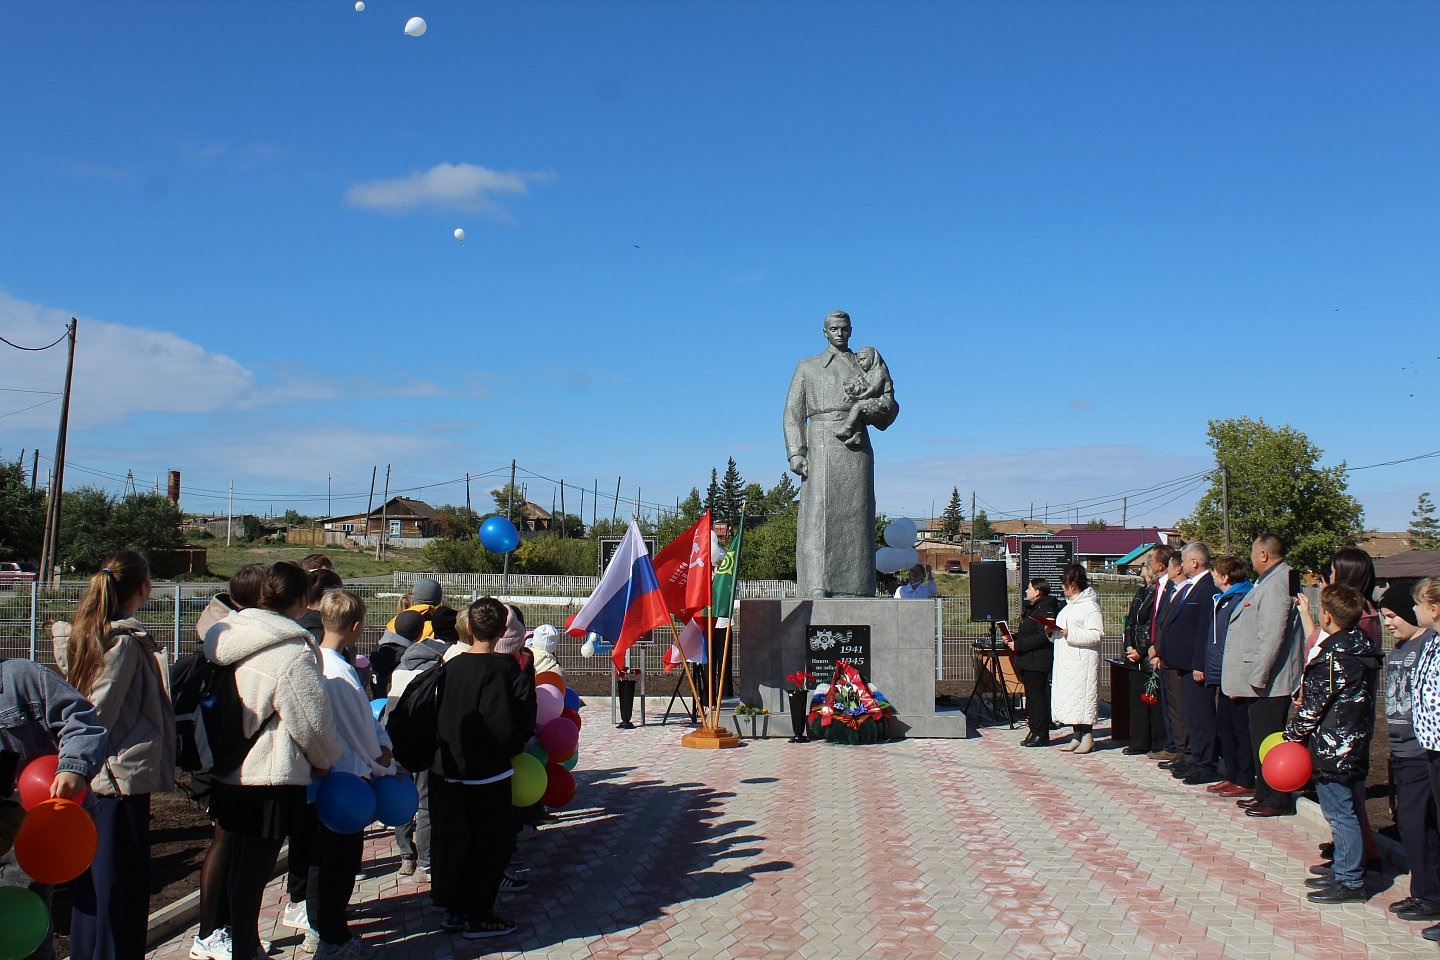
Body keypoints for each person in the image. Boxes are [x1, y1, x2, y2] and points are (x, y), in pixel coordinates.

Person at [203, 562, 342, 960]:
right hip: (268, 773)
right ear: (301, 600)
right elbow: (310, 720)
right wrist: (325, 759)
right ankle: (245, 948)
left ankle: (236, 940)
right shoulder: (290, 650)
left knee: (237, 865)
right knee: (253, 873)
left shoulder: (226, 638)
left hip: (227, 763)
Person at [52, 550, 176, 960]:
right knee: (116, 889)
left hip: (108, 774)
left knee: (105, 886)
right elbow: (96, 712)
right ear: (143, 587)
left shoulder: (90, 633)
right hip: (115, 778)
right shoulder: (120, 643)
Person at [429, 597, 536, 939]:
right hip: (488, 772)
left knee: (454, 841)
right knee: (487, 845)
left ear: (469, 628)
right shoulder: (501, 671)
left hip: (449, 770)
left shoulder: (449, 667)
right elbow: (503, 724)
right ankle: (479, 914)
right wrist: (513, 747)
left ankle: (454, 908)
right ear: (504, 629)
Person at [303, 589, 393, 959]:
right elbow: (361, 728)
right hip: (346, 779)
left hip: (318, 777)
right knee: (338, 863)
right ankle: (333, 938)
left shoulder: (312, 661)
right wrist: (380, 760)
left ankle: (317, 927)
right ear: (356, 626)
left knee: (316, 860)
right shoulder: (340, 670)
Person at [784, 310, 898, 598]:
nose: (839, 333)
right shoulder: (808, 367)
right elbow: (792, 413)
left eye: (844, 328)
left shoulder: (865, 365)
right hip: (820, 443)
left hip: (856, 446)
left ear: (851, 330)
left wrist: (873, 409)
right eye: (834, 328)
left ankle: (858, 584)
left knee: (857, 515)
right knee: (819, 515)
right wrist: (796, 453)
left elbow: (889, 404)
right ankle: (817, 584)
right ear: (825, 332)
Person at [0, 658, 107, 960]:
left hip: (29, 832)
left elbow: (82, 721)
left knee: (24, 926)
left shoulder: (21, 678)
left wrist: (73, 767)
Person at [188, 564, 268, 960]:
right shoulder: (236, 639)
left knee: (230, 842)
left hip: (219, 749)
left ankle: (224, 928)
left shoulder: (218, 631)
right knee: (224, 841)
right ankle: (209, 933)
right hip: (224, 752)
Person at [1285, 585, 1382, 904]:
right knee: (1350, 807)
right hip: (1356, 740)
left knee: (1340, 813)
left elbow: (1314, 704)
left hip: (1333, 745)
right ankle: (1344, 866)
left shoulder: (1334, 653)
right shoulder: (1362, 645)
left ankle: (1350, 880)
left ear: (1326, 614)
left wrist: (1292, 736)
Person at [1222, 533, 1306, 818]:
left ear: (1264, 555)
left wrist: (1257, 677)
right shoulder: (1270, 580)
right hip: (1262, 681)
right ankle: (1264, 792)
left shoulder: (1277, 583)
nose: (1251, 558)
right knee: (1259, 740)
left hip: (1271, 682)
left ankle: (1276, 798)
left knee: (1268, 741)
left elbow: (1272, 636)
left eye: (1253, 552)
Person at [1377, 582, 1440, 922]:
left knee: (1416, 823)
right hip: (1402, 747)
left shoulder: (1430, 644)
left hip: (1422, 749)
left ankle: (1430, 895)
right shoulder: (1401, 647)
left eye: (1393, 616)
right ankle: (1424, 891)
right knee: (1411, 823)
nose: (1389, 623)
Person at [1161, 543, 1221, 786]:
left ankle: (1205, 763)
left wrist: (1200, 663)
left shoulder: (1207, 588)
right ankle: (1195, 759)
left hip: (1196, 665)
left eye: (1184, 561)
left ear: (1194, 562)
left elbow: (1204, 631)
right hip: (1183, 664)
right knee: (1191, 715)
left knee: (1201, 716)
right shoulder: (1191, 587)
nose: (1182, 566)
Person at [1204, 556, 1255, 798]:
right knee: (1225, 726)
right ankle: (1231, 774)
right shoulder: (1222, 600)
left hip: (1236, 675)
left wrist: (1238, 675)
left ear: (1225, 577)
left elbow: (1239, 640)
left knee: (1239, 729)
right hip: (1222, 674)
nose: (1212, 575)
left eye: (1215, 572)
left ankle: (1245, 777)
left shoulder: (1241, 600)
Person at [1052, 565, 1104, 754]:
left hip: (1082, 662)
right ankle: (1077, 735)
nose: (1063, 587)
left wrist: (1069, 633)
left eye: (1065, 583)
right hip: (1067, 661)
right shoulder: (1069, 606)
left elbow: (1096, 634)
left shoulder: (1090, 606)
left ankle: (1088, 736)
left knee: (1082, 699)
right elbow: (1063, 631)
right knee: (1071, 699)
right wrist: (1052, 632)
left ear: (1073, 584)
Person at [1008, 578, 1059, 747]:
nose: (1026, 591)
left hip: (1038, 660)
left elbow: (1041, 636)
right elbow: (1028, 633)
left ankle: (1041, 734)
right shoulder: (1033, 609)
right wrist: (1012, 638)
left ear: (1038, 591)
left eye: (1029, 588)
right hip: (1028, 660)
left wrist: (1019, 645)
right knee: (1031, 697)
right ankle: (1033, 729)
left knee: (1038, 698)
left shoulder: (1045, 609)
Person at [1122, 556, 1164, 755]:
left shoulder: (1157, 592)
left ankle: (1157, 742)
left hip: (1147, 653)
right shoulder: (1141, 591)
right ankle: (1138, 740)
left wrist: (1141, 649)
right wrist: (1129, 645)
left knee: (1152, 700)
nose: (1141, 569)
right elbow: (1130, 620)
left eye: (1144, 566)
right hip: (1134, 651)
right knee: (1136, 700)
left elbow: (1152, 624)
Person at [369, 610, 425, 700]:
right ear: (421, 633)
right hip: (396, 707)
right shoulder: (408, 656)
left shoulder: (379, 648)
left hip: (375, 704)